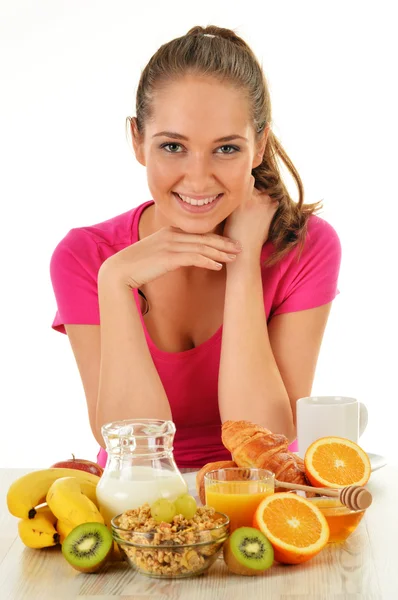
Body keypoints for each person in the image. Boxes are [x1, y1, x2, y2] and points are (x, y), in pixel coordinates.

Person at [50, 25, 341, 470]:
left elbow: (268, 448)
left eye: (226, 148)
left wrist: (242, 260)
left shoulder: (304, 247)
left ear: (259, 145)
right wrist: (115, 281)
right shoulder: (88, 257)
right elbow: (134, 454)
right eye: (172, 146)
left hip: (258, 502)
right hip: (139, 506)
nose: (199, 178)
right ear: (137, 141)